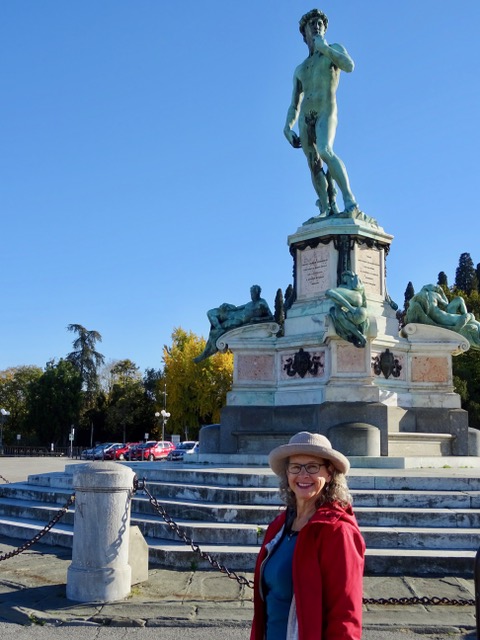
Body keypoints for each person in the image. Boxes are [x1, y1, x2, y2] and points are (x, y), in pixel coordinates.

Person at [250, 431, 365, 640]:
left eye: (313, 467)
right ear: (287, 473)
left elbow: (345, 615)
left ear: (329, 473)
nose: (303, 475)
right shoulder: (279, 526)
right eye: (295, 467)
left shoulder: (338, 532)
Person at [284, 9, 358, 218]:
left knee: (325, 150)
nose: (317, 27)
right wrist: (287, 127)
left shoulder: (332, 49)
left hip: (326, 109)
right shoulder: (300, 68)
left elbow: (349, 66)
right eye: (312, 24)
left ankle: (350, 201)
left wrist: (324, 48)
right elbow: (294, 104)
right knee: (313, 163)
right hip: (305, 117)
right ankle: (326, 208)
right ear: (305, 32)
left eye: (320, 24)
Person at [194, 285, 274, 362]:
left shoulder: (262, 303)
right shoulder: (250, 303)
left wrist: (257, 319)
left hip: (237, 321)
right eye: (251, 293)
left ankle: (205, 354)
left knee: (214, 333)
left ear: (258, 293)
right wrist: (227, 305)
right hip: (233, 314)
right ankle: (214, 337)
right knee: (211, 313)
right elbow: (237, 308)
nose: (252, 295)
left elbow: (271, 317)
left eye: (253, 293)